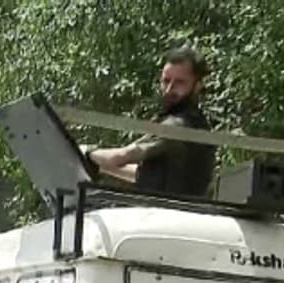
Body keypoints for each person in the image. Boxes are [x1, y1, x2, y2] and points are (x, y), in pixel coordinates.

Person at [86, 47, 216, 197]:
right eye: (166, 81)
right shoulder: (192, 123)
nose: (169, 89)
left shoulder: (178, 126)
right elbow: (141, 174)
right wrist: (97, 164)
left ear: (197, 85)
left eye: (180, 82)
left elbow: (121, 156)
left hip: (168, 214)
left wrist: (87, 153)